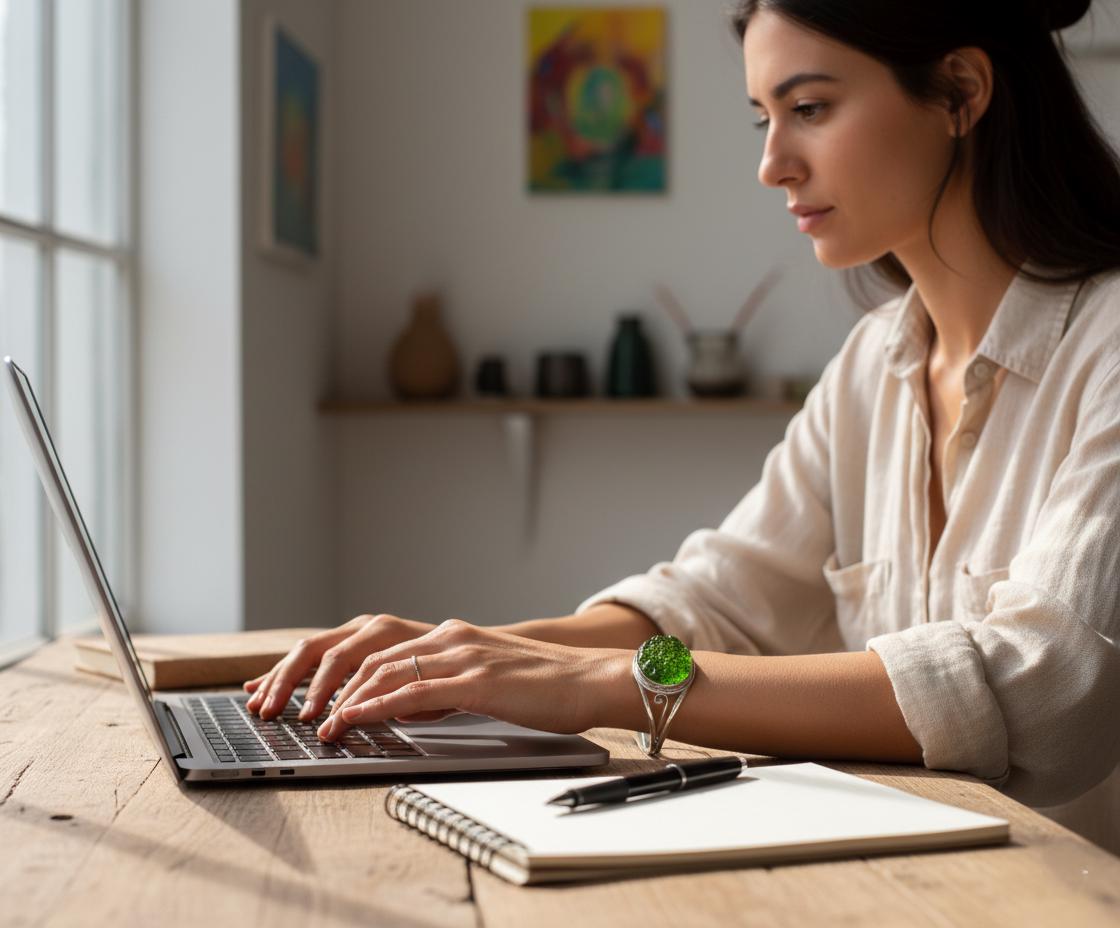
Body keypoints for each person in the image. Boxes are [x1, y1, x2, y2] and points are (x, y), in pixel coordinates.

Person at [246, 0, 1120, 850]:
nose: (774, 163)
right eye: (763, 119)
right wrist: (458, 654)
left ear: (962, 91)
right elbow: (712, 605)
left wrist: (594, 685)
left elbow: (1039, 684)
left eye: (809, 108)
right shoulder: (874, 364)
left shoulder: (1107, 344)